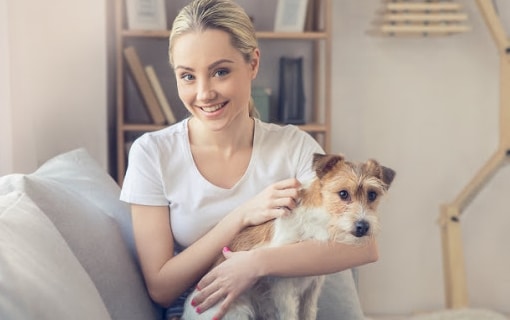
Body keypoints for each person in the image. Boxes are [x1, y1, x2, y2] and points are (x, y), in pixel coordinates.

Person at [120, 0, 378, 319]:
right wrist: (241, 216)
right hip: (209, 305)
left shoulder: (293, 147)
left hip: (286, 305)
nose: (204, 93)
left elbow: (364, 245)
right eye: (187, 76)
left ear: (253, 63)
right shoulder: (152, 153)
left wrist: (256, 264)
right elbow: (161, 286)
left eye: (220, 72)